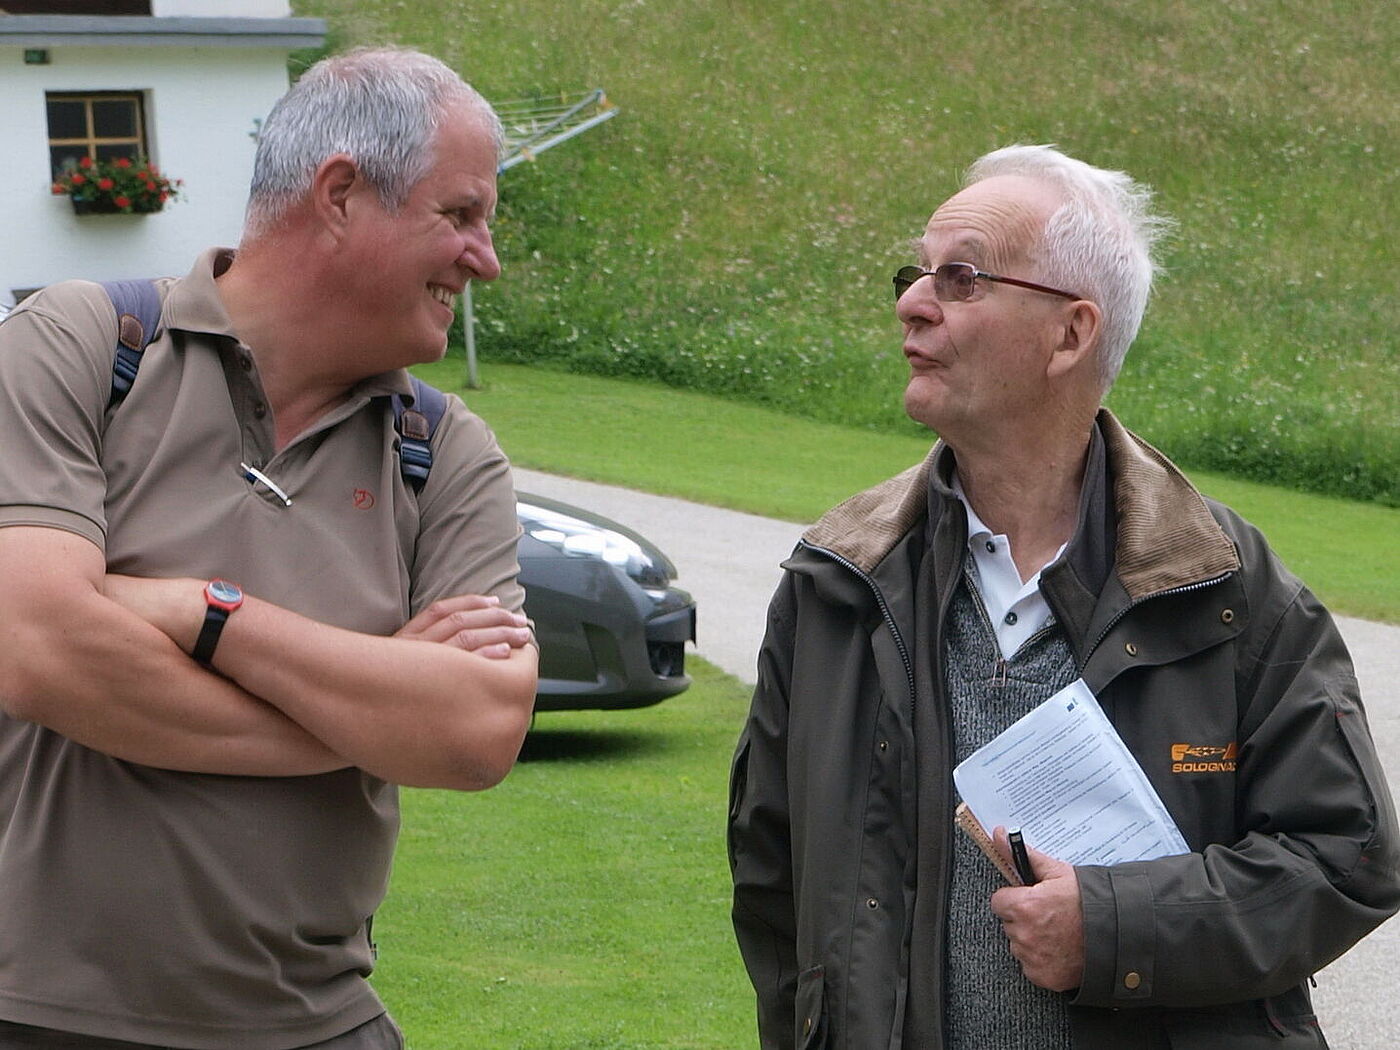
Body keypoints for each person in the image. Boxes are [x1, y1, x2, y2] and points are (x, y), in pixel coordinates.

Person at [727, 144, 1399, 1049]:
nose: (910, 302)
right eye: (915, 272)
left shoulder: (1232, 589)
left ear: (1072, 334)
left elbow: (1346, 856)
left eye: (960, 278)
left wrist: (1118, 929)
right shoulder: (836, 583)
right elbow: (774, 889)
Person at [0, 48, 537, 1049]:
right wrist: (370, 711)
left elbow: (474, 731)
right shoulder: (78, 345)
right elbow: (41, 653)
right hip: (35, 1018)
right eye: (460, 215)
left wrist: (202, 612)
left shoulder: (446, 450)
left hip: (315, 1026)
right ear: (339, 194)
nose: (485, 259)